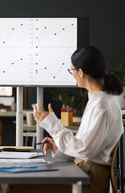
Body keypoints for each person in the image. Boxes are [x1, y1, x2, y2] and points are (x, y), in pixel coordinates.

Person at [10, 45, 124, 193]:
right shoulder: (99, 99)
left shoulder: (102, 105)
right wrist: (58, 148)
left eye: (72, 70)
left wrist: (53, 125)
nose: (72, 75)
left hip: (89, 180)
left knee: (17, 186)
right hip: (84, 171)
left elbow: (84, 150)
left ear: (81, 72)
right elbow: (85, 149)